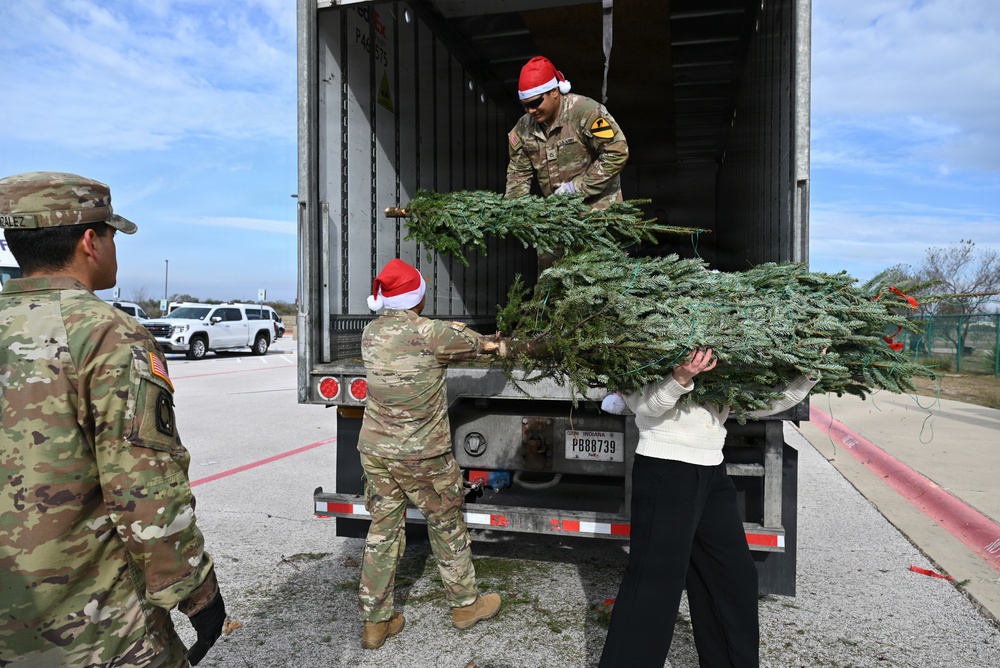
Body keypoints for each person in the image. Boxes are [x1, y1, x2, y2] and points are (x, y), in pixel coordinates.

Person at [0, 172, 225, 667]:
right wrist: (196, 591)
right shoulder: (106, 334)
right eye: (112, 235)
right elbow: (144, 488)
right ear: (90, 241)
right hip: (90, 627)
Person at [598, 348, 820, 667]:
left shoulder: (724, 358)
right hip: (666, 468)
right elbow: (642, 404)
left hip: (712, 469)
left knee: (732, 577)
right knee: (655, 584)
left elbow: (757, 405)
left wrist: (807, 377)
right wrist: (679, 377)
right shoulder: (650, 347)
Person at [357, 258, 502, 649]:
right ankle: (466, 606)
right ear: (416, 298)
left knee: (383, 531)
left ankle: (376, 624)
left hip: (376, 451)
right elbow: (484, 346)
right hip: (422, 454)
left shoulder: (370, 332)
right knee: (446, 523)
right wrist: (461, 330)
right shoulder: (432, 333)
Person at [504, 55, 629, 211]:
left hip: (600, 213)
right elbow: (518, 175)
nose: (531, 111)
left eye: (535, 103)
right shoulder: (523, 129)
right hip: (560, 217)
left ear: (554, 91)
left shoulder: (585, 112)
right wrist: (513, 213)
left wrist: (576, 188)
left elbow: (617, 152)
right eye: (525, 105)